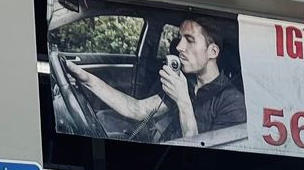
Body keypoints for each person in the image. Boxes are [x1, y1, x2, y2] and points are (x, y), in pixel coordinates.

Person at [66, 16, 245, 140]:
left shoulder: (232, 102)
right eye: (180, 38)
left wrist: (183, 101)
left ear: (213, 51)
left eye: (189, 40)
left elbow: (203, 162)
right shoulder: (185, 83)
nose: (180, 47)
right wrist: (88, 80)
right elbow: (136, 109)